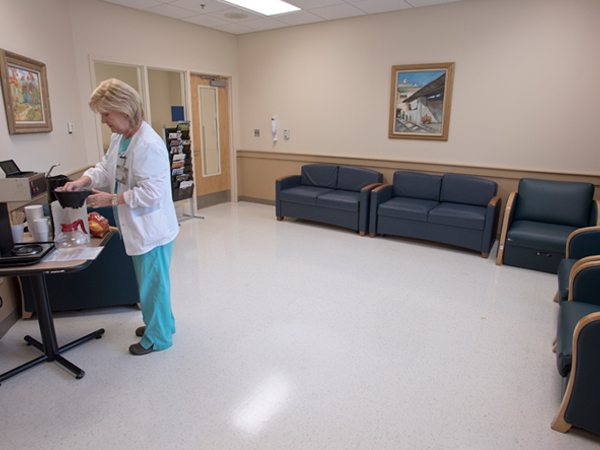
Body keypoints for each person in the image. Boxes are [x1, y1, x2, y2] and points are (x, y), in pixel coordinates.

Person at [59, 78, 179, 356]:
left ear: (123, 110)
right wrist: (84, 180)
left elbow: (151, 193)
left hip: (151, 229)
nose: (103, 120)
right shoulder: (121, 138)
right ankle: (160, 323)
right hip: (137, 226)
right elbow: (106, 168)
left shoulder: (147, 144)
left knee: (154, 284)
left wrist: (110, 199)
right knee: (150, 283)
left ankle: (158, 337)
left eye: (105, 113)